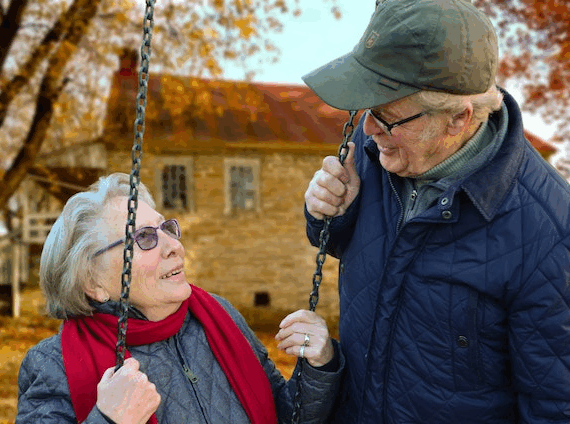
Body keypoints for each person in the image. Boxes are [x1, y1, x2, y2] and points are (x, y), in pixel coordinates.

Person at [302, 0, 570, 422]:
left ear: (458, 119)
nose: (369, 128)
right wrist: (330, 213)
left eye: (387, 118)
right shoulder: (378, 147)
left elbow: (556, 405)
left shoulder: (550, 233)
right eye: (367, 111)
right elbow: (351, 247)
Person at [16, 172, 344, 424]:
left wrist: (317, 365)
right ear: (93, 282)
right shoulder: (53, 365)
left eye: (166, 228)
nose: (173, 245)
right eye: (143, 238)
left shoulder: (219, 316)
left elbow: (285, 415)